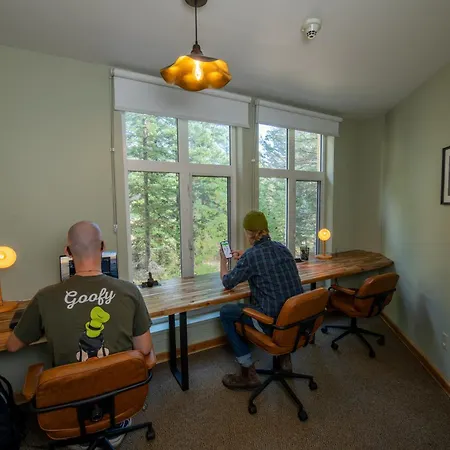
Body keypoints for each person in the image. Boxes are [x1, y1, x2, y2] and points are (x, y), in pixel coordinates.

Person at [7, 221, 153, 447]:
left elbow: (12, 345)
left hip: (71, 418)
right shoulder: (130, 291)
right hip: (119, 409)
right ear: (102, 247)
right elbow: (144, 349)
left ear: (67, 251)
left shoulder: (45, 297)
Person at [219, 211, 303, 390]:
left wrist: (223, 262)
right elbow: (266, 262)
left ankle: (247, 373)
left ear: (248, 233)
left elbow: (228, 282)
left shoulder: (252, 256)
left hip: (272, 323)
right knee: (281, 300)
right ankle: (285, 358)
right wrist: (245, 256)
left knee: (226, 312)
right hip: (296, 322)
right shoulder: (282, 248)